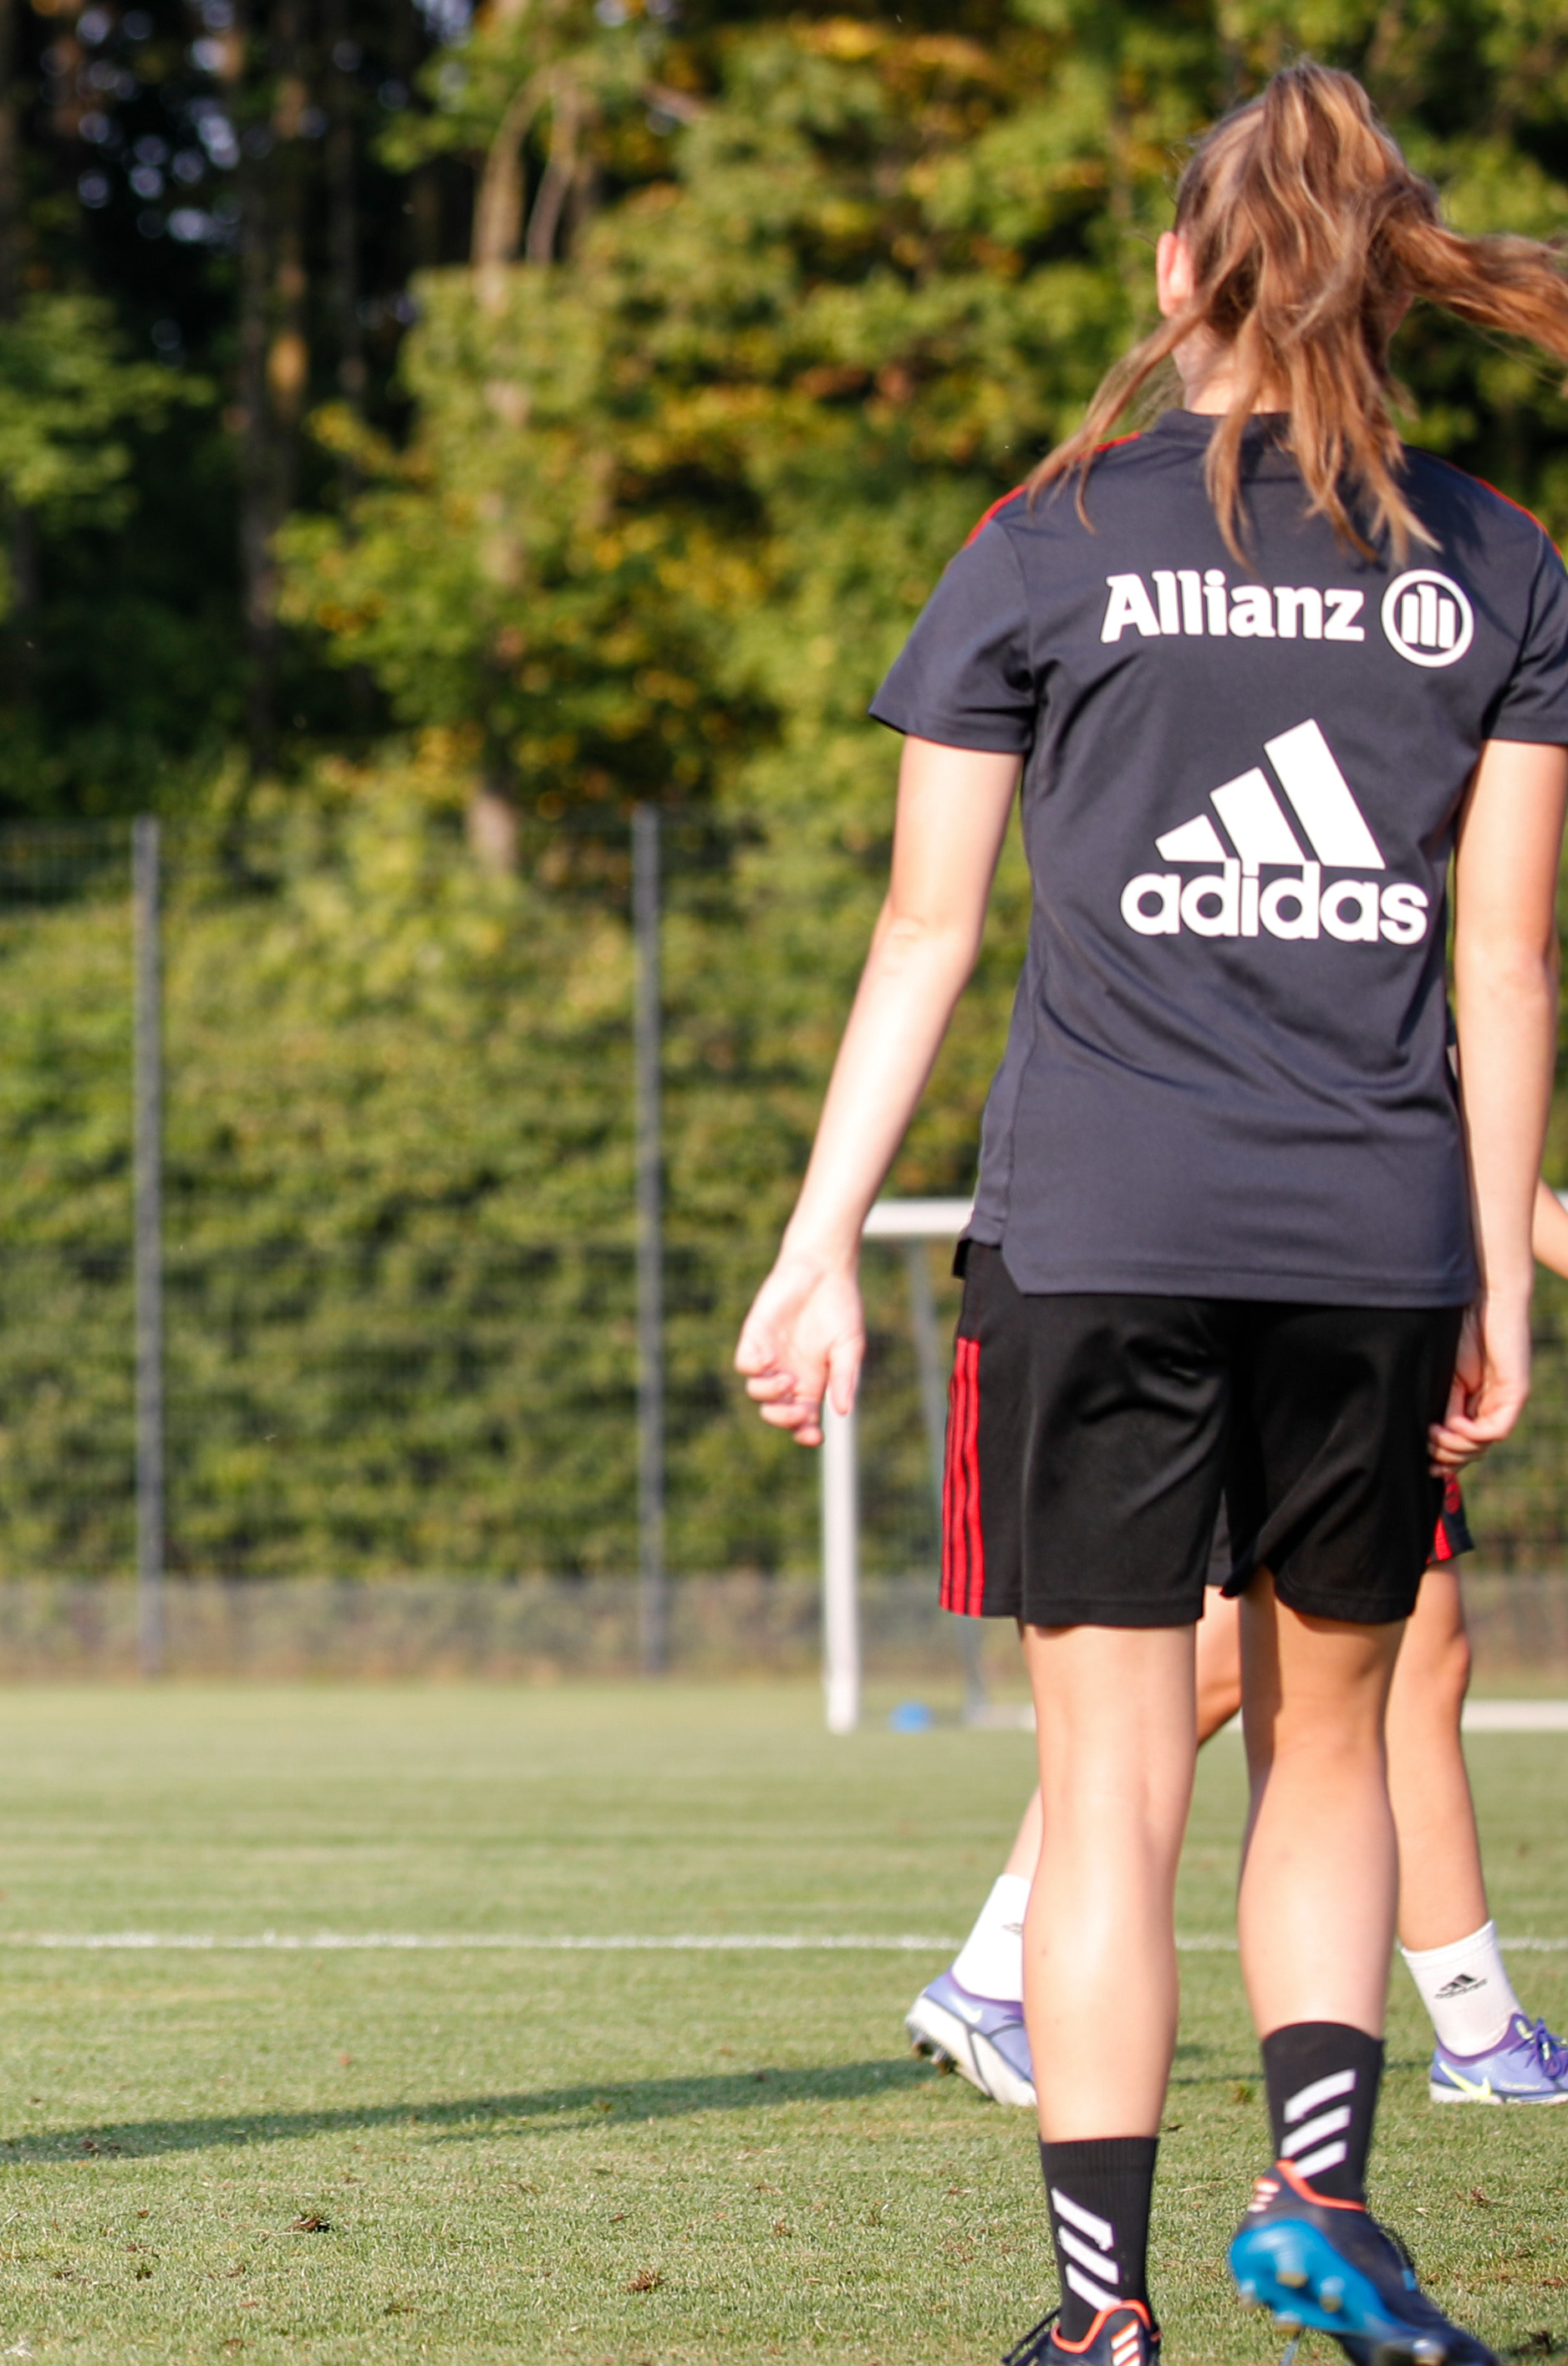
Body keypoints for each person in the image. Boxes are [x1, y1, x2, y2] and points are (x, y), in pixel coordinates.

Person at [736, 64, 1568, 2366]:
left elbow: (918, 931)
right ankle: (1317, 2190)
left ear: (1175, 270)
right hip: (1370, 1242)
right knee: (1324, 1744)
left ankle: (1095, 2319)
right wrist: (1494, 1270)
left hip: (1087, 1227)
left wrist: (813, 1243)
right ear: (1387, 279)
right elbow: (1498, 962)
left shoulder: (1040, 533)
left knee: (1102, 1782)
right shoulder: (1493, 563)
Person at [916, 1486, 1568, 2114]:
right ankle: (1478, 2031)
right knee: (1358, 1623)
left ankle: (994, 1966)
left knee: (1379, 1626)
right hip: (1316, 1379)